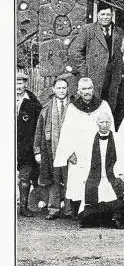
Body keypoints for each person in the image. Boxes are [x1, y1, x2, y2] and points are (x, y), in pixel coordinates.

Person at [53, 78, 114, 218]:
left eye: (89, 88)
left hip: (98, 150)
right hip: (78, 153)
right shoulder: (73, 108)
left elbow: (111, 127)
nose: (87, 92)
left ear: (93, 89)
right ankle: (77, 211)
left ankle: (96, 211)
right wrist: (69, 153)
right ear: (78, 91)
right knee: (78, 180)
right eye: (84, 89)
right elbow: (66, 132)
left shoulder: (103, 105)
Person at [76, 110, 124, 228]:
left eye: (107, 122)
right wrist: (84, 175)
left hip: (112, 174)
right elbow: (84, 159)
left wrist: (121, 172)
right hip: (95, 174)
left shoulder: (117, 138)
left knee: (115, 186)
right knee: (92, 186)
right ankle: (94, 218)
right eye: (102, 122)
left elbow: (123, 157)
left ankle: (114, 217)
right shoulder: (89, 139)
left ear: (111, 123)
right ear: (97, 123)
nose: (105, 125)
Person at [33, 76, 70, 219]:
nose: (61, 91)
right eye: (59, 88)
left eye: (64, 88)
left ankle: (69, 210)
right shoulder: (47, 108)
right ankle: (53, 209)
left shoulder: (73, 106)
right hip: (51, 149)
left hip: (69, 150)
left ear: (68, 89)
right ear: (53, 90)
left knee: (68, 179)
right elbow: (39, 131)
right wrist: (37, 151)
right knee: (54, 180)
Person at [67, 2, 122, 94]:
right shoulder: (88, 29)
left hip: (112, 77)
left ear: (112, 15)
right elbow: (74, 51)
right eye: (102, 14)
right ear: (97, 15)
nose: (105, 17)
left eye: (108, 14)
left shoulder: (118, 31)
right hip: (94, 76)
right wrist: (85, 71)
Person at [16, 70, 42, 216]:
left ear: (26, 84)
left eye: (21, 83)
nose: (18, 87)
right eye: (16, 83)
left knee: (25, 178)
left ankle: (23, 207)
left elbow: (38, 127)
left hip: (26, 147)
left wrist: (34, 147)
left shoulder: (33, 103)